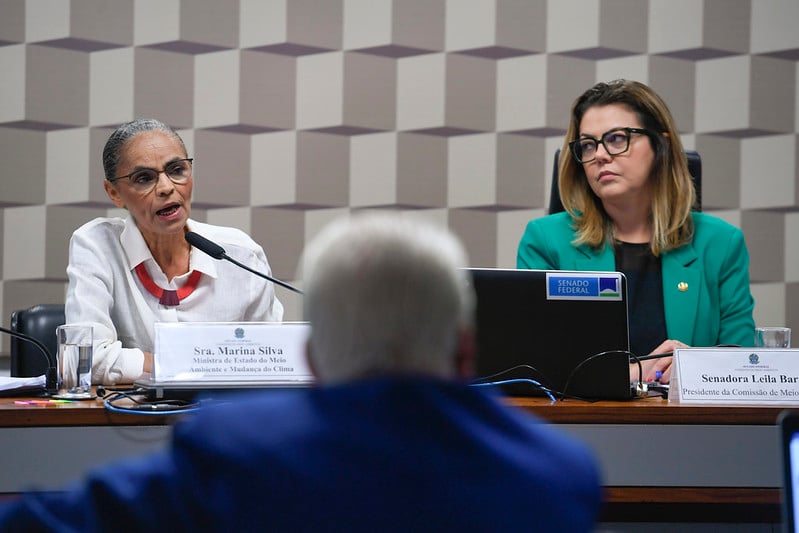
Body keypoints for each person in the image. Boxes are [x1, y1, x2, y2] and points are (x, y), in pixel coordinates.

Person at [0, 213, 602, 531]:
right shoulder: (561, 475)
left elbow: (72, 518)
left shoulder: (234, 449)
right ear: (466, 352)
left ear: (311, 358)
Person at [517, 79, 755, 383]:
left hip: (691, 427)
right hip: (582, 425)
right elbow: (532, 367)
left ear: (662, 145)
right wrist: (633, 374)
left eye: (617, 138)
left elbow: (743, 366)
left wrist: (694, 368)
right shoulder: (546, 241)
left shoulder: (720, 244)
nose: (600, 155)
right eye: (588, 145)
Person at [66, 118, 283, 384]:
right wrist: (190, 362)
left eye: (177, 170)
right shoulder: (97, 246)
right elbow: (83, 360)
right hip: (130, 421)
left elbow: (272, 361)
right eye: (144, 178)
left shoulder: (240, 255)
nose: (167, 187)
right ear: (114, 193)